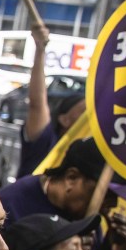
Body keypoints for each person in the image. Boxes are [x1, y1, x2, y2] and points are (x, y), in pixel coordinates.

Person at [18, 23, 86, 178]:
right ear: (64, 119)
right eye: (83, 112)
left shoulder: (86, 154)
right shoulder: (46, 141)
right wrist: (40, 49)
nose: (88, 118)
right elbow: (37, 103)